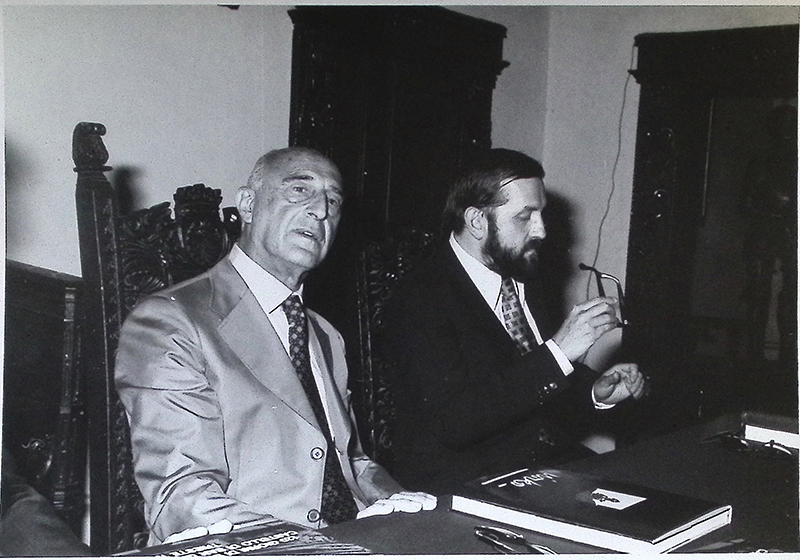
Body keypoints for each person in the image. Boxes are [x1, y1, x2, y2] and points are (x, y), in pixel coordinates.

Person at [115, 147, 435, 546]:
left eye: (333, 201)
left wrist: (396, 502)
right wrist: (315, 550)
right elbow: (181, 495)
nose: (320, 211)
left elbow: (349, 460)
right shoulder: (169, 321)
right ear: (248, 204)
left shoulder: (324, 333)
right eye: (300, 190)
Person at [384, 148, 647, 495]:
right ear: (477, 221)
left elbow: (532, 386)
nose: (541, 230)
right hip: (461, 485)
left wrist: (595, 392)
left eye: (542, 214)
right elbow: (453, 422)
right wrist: (559, 353)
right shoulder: (420, 297)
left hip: (538, 468)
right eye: (525, 217)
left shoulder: (521, 275)